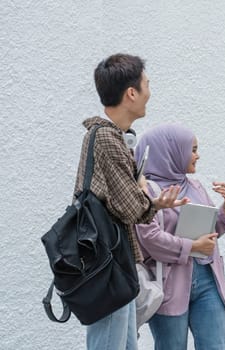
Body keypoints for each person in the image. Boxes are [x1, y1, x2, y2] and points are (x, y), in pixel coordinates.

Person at [76, 53, 188, 350]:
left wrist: (148, 200)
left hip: (114, 263)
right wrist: (153, 203)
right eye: (147, 85)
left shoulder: (111, 136)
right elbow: (131, 206)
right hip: (108, 265)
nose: (149, 92)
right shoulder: (106, 138)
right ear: (131, 93)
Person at [135, 123, 225, 350]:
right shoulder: (147, 191)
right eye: (193, 149)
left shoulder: (196, 186)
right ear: (172, 151)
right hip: (169, 283)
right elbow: (149, 238)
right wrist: (191, 246)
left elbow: (212, 232)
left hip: (208, 279)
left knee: (217, 346)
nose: (197, 155)